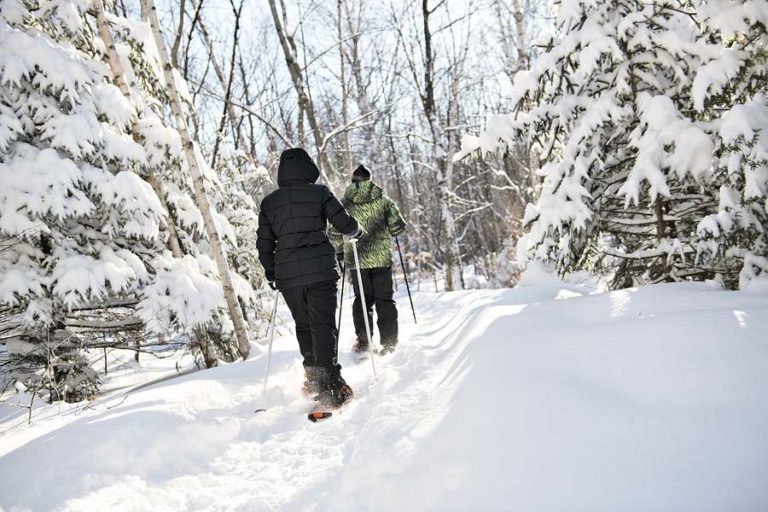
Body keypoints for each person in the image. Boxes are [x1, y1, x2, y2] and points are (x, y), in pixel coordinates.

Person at [256, 148, 364, 408]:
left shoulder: (270, 203)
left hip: (288, 276)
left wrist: (272, 273)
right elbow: (344, 223)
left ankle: (315, 379)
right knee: (323, 325)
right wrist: (356, 230)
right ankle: (330, 385)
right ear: (308, 168)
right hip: (321, 271)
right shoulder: (320, 193)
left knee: (304, 325)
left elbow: (264, 244)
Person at [330, 165, 406, 355]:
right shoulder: (383, 200)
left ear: (353, 181)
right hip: (381, 258)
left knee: (362, 300)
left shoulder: (344, 204)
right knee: (385, 300)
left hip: (357, 260)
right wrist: (388, 228)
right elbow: (398, 227)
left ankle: (364, 343)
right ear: (370, 180)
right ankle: (389, 343)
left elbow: (334, 234)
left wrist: (340, 252)